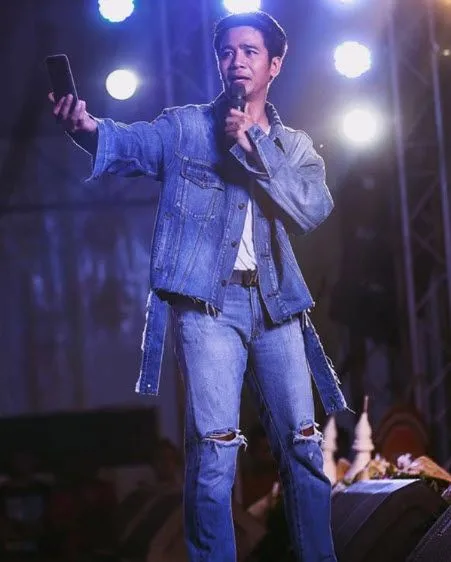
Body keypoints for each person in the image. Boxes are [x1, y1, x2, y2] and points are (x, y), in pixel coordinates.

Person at [49, 10, 347, 562]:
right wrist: (85, 127)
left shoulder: (295, 147)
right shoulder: (185, 128)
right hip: (208, 306)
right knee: (213, 451)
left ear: (275, 64)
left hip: (277, 304)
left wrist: (255, 148)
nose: (237, 61)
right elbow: (129, 144)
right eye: (227, 52)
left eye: (250, 51)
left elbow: (311, 209)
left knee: (304, 445)